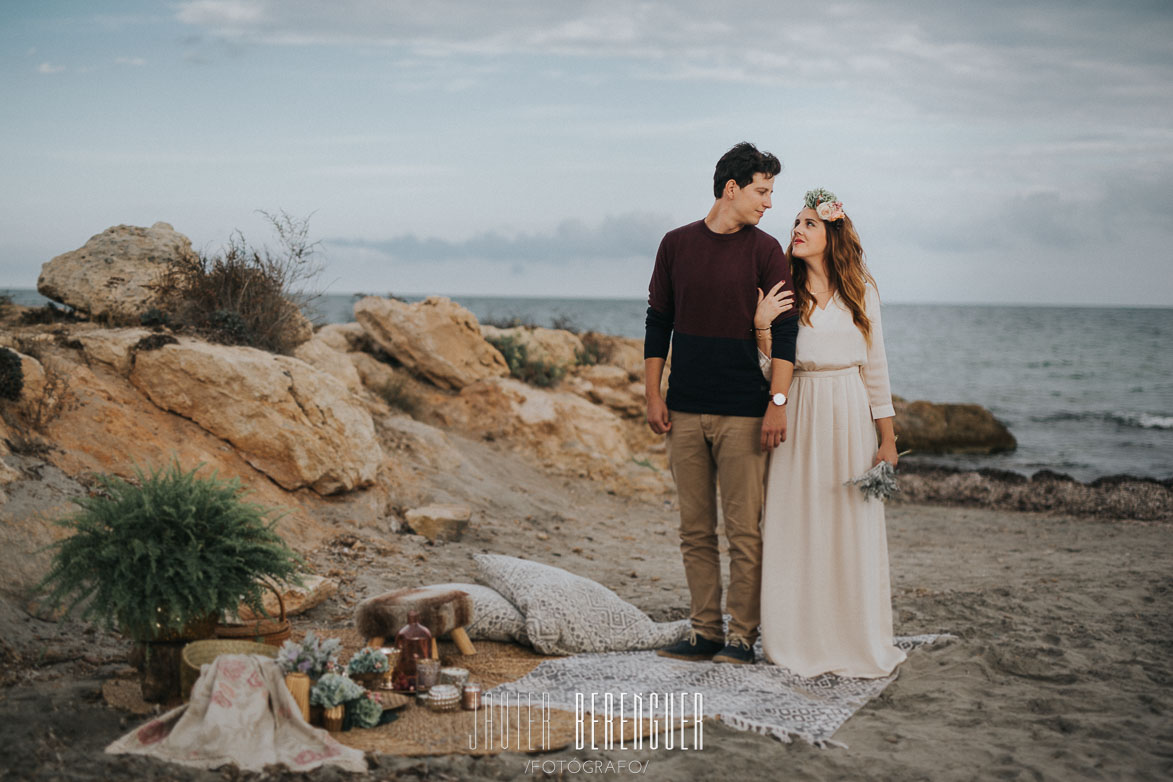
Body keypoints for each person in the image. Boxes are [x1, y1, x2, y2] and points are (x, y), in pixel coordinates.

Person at [644, 142, 799, 665]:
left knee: (743, 532)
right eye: (763, 190)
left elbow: (786, 334)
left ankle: (741, 638)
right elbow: (657, 322)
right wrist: (652, 392)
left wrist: (777, 402)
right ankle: (705, 631)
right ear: (732, 188)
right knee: (694, 529)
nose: (769, 202)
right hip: (684, 409)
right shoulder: (675, 244)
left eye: (771, 191)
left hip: (744, 413)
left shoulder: (766, 250)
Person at [753, 188, 906, 678]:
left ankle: (853, 636)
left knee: (848, 529)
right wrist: (760, 327)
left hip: (849, 417)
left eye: (809, 224)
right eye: (795, 223)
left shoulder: (863, 290)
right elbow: (767, 370)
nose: (796, 230)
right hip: (798, 413)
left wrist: (887, 439)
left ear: (832, 234)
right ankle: (794, 639)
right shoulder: (781, 291)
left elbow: (876, 369)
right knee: (796, 526)